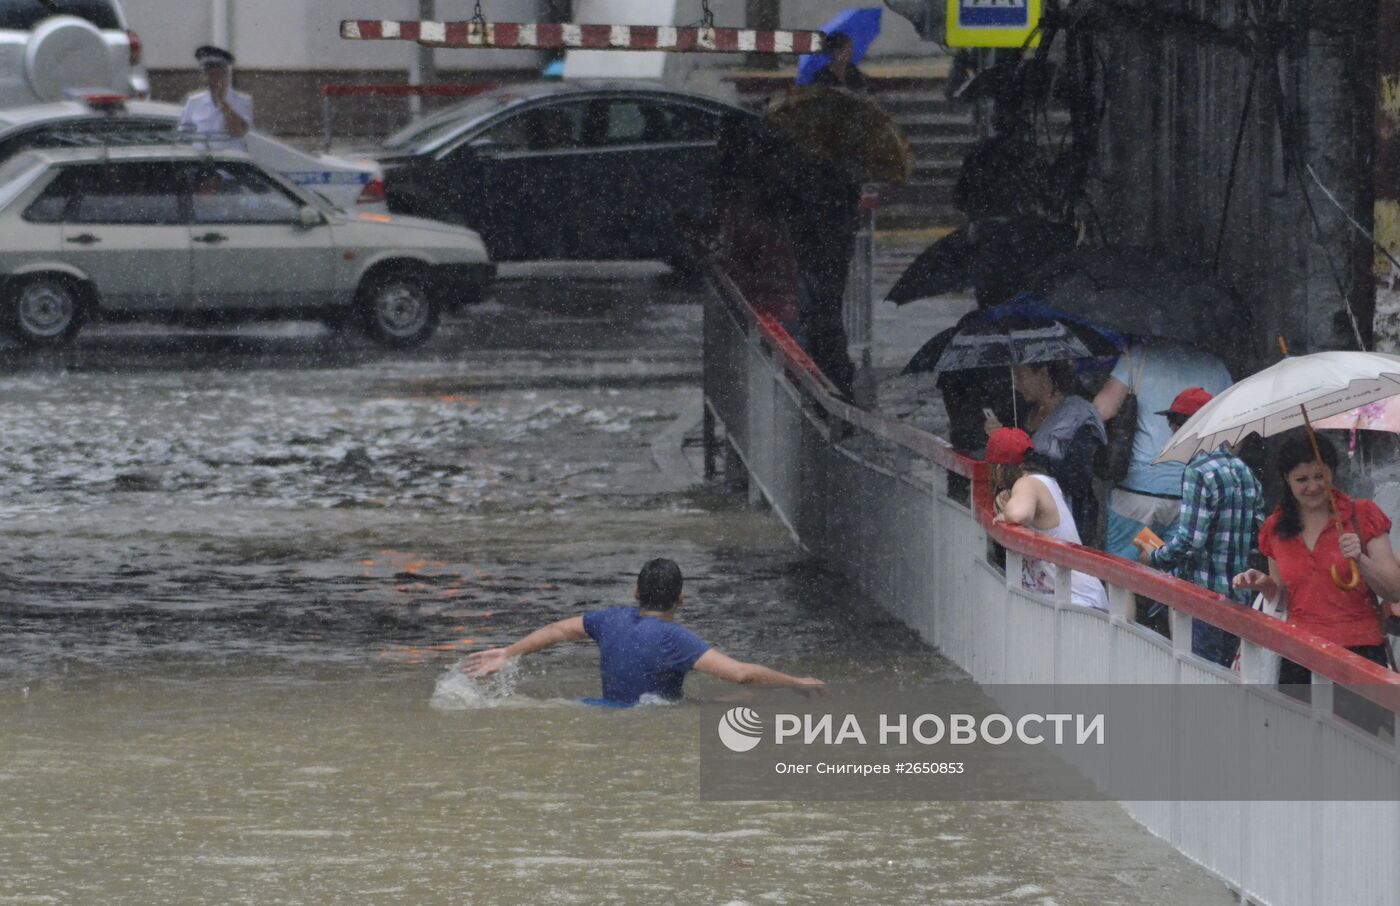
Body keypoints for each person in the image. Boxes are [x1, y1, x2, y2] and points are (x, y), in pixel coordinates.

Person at [463, 558, 824, 706]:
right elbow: (742, 675)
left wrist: (507, 653)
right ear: (681, 599)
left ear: (636, 594)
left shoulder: (609, 620)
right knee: (754, 700)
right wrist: (795, 681)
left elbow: (558, 630)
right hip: (651, 716)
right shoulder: (676, 639)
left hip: (599, 709)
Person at [1234, 434, 1400, 727]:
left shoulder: (1362, 515)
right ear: (1286, 479)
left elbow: (1394, 589)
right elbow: (1282, 594)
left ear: (1332, 473)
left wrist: (1361, 559)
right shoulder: (1275, 527)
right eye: (1302, 479)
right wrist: (1263, 584)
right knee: (1299, 754)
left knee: (1354, 753)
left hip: (1358, 655)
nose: (1312, 487)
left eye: (1319, 476)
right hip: (1300, 654)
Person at [1137, 388, 1264, 667]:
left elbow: (1190, 540)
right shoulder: (1244, 470)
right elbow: (1258, 532)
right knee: (1227, 675)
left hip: (1203, 598)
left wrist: (1155, 557)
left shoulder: (1198, 471)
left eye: (1174, 425)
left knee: (1199, 674)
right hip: (1238, 598)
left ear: (1179, 426)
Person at [1093, 338, 1232, 561]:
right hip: (1189, 498)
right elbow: (1232, 438)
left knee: (1124, 575)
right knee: (1170, 577)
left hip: (1137, 495)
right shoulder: (1217, 367)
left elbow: (1102, 410)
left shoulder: (1139, 356)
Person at [988, 427, 1109, 611]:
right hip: (1070, 597)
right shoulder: (1043, 480)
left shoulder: (1027, 482)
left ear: (998, 468)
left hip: (1079, 601)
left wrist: (1004, 513)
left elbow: (1019, 514)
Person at [984, 360, 1106, 539]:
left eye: (1020, 375)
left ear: (1042, 374)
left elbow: (1078, 477)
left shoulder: (1078, 416)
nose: (1016, 385)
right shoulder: (1024, 410)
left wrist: (1028, 456)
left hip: (1066, 517)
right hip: (1028, 516)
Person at [177, 46, 253, 150]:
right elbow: (183, 136)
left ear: (225, 75)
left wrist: (222, 103)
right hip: (201, 161)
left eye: (215, 75)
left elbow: (238, 132)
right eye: (207, 75)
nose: (211, 80)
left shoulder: (242, 101)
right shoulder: (194, 101)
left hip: (230, 162)